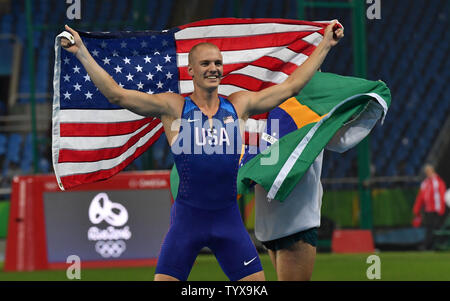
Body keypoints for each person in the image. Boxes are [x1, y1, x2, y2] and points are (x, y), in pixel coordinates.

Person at [60, 21, 344, 281]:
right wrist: (82, 52)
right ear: (191, 70)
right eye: (206, 63)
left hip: (229, 222)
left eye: (218, 63)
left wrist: (325, 45)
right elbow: (116, 94)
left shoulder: (239, 105)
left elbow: (292, 86)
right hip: (187, 223)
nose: (214, 68)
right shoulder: (174, 108)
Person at [252, 97, 384, 280]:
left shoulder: (261, 105)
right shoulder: (304, 108)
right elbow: (341, 140)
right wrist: (375, 108)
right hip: (297, 216)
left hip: (267, 219)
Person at [413, 164, 447, 250]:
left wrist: (442, 209)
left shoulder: (437, 182)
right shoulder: (425, 183)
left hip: (436, 209)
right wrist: (416, 209)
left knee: (436, 228)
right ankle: (429, 245)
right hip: (428, 209)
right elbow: (420, 197)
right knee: (429, 228)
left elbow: (442, 195)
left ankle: (435, 245)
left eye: (428, 171)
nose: (427, 173)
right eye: (426, 172)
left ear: (432, 171)